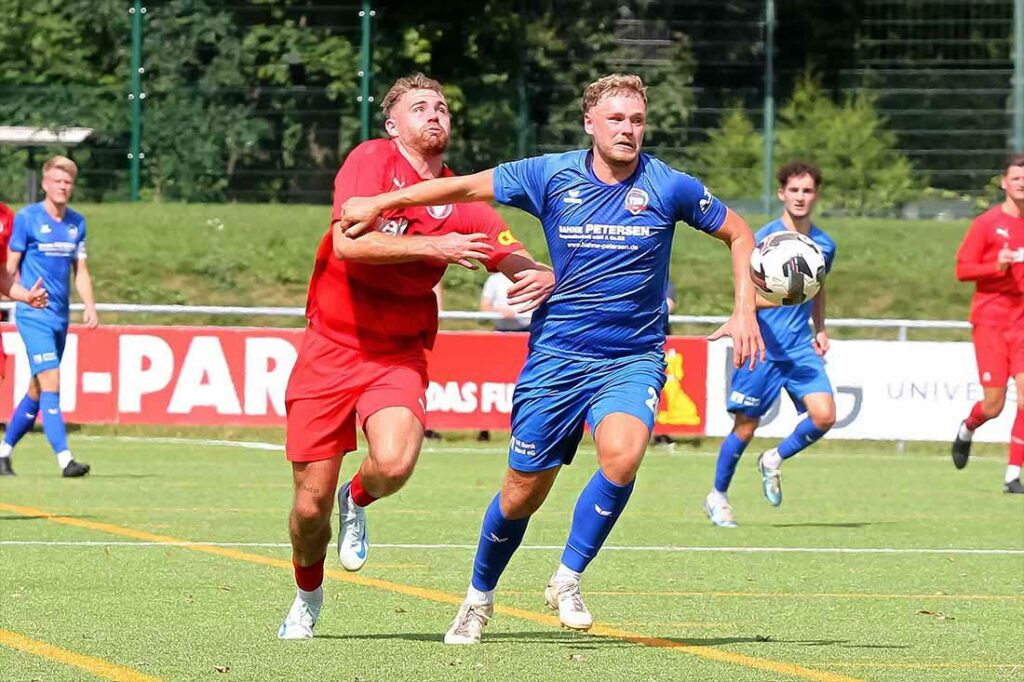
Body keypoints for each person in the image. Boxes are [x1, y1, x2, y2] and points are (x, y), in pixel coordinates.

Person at [340, 73, 763, 644]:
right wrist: (383, 201)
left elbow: (740, 233)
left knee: (623, 454)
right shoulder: (547, 174)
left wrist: (745, 309)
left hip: (632, 356)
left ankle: (567, 577)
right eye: (616, 119)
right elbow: (461, 189)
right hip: (556, 358)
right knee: (521, 493)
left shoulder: (670, 186)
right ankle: (478, 598)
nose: (628, 130)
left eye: (637, 120)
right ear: (589, 122)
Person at [277, 73, 555, 640]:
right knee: (309, 510)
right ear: (393, 124)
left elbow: (509, 255)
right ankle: (308, 594)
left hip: (397, 354)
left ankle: (359, 499)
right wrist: (434, 246)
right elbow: (349, 243)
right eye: (420, 107)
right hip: (330, 345)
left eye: (443, 108)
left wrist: (545, 275)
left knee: (396, 464)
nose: (435, 114)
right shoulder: (372, 161)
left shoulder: (461, 198)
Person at [703, 162, 837, 528]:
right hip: (762, 347)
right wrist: (784, 294)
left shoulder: (824, 244)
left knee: (825, 415)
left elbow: (817, 288)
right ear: (782, 193)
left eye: (807, 191)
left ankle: (774, 459)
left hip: (798, 348)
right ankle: (718, 496)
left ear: (816, 195)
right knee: (746, 428)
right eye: (794, 190)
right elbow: (746, 296)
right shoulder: (762, 240)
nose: (800, 197)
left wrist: (820, 328)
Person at [0, 157, 95, 478]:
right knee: (52, 380)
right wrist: (15, 296)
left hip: (59, 317)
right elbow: (9, 268)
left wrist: (90, 305)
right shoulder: (26, 219)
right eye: (57, 181)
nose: (62, 186)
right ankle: (65, 459)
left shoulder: (76, 223)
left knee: (38, 389)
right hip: (32, 315)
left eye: (67, 182)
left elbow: (80, 270)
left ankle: (3, 453)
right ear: (44, 184)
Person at [952, 153, 1024, 494]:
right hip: (991, 322)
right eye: (1016, 177)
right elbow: (963, 270)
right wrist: (994, 265)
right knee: (993, 405)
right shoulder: (986, 224)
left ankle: (1013, 474)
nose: (1022, 183)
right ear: (1004, 182)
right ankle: (968, 428)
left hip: (1022, 322)